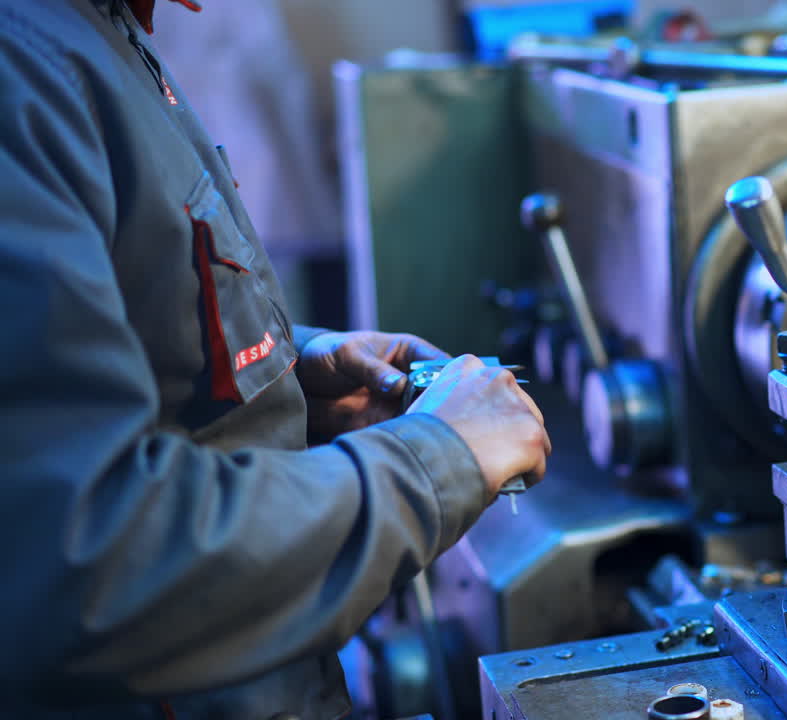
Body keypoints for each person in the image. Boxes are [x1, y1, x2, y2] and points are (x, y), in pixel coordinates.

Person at [0, 1, 552, 718]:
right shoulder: (25, 73)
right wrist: (435, 462)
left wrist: (286, 380)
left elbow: (137, 315)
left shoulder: (107, 33)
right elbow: (89, 561)